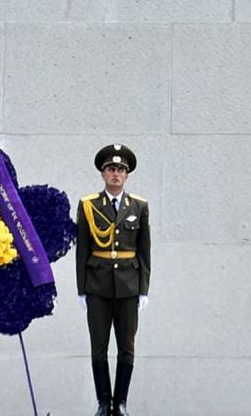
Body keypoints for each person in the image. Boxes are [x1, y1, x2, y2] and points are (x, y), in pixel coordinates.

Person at [76, 143, 151, 416]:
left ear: (127, 175)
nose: (116, 174)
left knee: (126, 347)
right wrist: (81, 289)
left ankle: (120, 403)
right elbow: (82, 250)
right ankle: (102, 401)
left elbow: (144, 251)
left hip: (129, 284)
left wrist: (143, 289)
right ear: (103, 174)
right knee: (99, 347)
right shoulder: (88, 205)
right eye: (111, 169)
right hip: (97, 284)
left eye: (120, 169)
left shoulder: (139, 206)